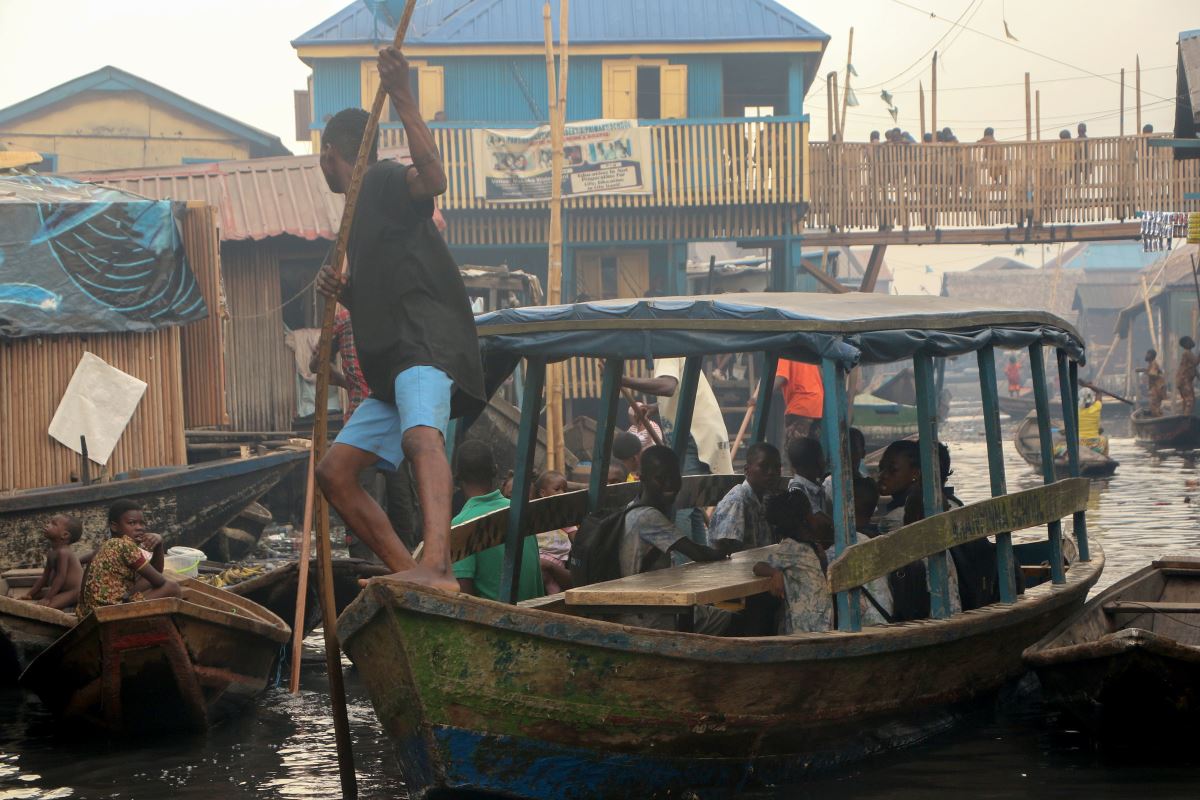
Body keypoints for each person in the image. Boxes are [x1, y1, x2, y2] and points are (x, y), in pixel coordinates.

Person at [313, 46, 487, 593]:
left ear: (331, 153)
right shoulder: (357, 214)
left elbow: (433, 178)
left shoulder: (383, 179)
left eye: (323, 155)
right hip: (390, 372)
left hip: (424, 348)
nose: (321, 165)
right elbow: (385, 292)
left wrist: (405, 95)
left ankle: (437, 564)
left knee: (420, 440)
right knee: (333, 473)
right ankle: (409, 569)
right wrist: (347, 292)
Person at [314, 306, 419, 557]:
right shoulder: (396, 313)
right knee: (401, 502)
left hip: (363, 422)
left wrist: (348, 383)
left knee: (360, 502)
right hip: (396, 421)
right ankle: (407, 562)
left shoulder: (342, 317)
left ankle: (367, 566)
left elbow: (317, 364)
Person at [619, 446, 739, 633]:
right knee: (740, 622)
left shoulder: (633, 507)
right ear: (642, 478)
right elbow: (697, 553)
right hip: (651, 616)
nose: (669, 484)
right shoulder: (648, 517)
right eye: (661, 478)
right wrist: (726, 548)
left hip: (653, 605)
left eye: (674, 478)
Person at [623, 359, 733, 544]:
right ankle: (699, 561)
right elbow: (681, 392)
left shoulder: (667, 352)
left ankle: (683, 568)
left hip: (693, 437)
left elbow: (668, 386)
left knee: (681, 504)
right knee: (693, 504)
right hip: (695, 434)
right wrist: (654, 408)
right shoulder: (676, 351)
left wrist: (623, 380)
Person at [449, 441, 543, 601]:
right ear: (495, 470)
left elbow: (463, 595)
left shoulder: (462, 523)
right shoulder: (520, 511)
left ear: (457, 478)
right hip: (534, 611)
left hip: (499, 621)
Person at [77, 501, 180, 619]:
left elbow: (154, 574)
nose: (139, 528)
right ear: (114, 526)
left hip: (87, 613)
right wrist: (130, 595)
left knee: (144, 579)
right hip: (108, 614)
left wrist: (158, 545)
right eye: (132, 523)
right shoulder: (125, 545)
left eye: (142, 523)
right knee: (172, 587)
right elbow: (160, 581)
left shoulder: (105, 545)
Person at [707, 442, 781, 551]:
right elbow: (723, 551)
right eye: (764, 466)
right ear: (746, 470)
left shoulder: (767, 498)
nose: (771, 472)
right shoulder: (737, 501)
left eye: (776, 467)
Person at [24, 515, 83, 610]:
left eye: (53, 524)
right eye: (49, 522)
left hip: (73, 591)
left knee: (46, 608)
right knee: (36, 595)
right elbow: (45, 577)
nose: (47, 525)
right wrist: (29, 594)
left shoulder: (63, 552)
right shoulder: (51, 552)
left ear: (65, 535)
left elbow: (61, 577)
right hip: (60, 589)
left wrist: (47, 598)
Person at [532, 470, 574, 594]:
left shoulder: (564, 516)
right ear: (542, 493)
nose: (562, 493)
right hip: (538, 557)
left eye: (565, 490)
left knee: (554, 592)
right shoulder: (535, 514)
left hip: (558, 560)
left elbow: (576, 538)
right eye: (557, 489)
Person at [763, 359, 823, 444]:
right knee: (812, 450)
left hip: (800, 406)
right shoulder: (805, 351)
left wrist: (761, 395)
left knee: (794, 450)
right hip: (817, 406)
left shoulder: (785, 352)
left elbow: (781, 378)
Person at [786, 436, 829, 520]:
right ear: (809, 464)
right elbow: (821, 520)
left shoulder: (816, 488)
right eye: (821, 458)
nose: (824, 462)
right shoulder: (797, 491)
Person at [1076, 388, 1107, 455]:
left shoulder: (1076, 411)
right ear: (1091, 399)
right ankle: (1105, 457)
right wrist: (1089, 386)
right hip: (1095, 445)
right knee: (1104, 439)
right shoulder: (1096, 407)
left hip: (1080, 444)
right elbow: (1099, 391)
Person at [1138, 349, 1166, 416]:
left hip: (1157, 388)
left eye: (1147, 353)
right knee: (1155, 406)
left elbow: (1153, 374)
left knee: (1153, 405)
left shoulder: (1153, 364)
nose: (1146, 355)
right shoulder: (1151, 364)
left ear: (1151, 355)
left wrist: (1146, 371)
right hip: (1157, 387)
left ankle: (1158, 421)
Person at [1177, 336, 1197, 416]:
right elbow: (1195, 362)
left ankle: (1185, 416)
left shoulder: (1188, 353)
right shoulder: (1187, 353)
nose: (1192, 341)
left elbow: (1193, 368)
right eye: (1189, 340)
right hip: (1184, 380)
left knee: (1187, 400)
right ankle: (1186, 418)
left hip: (1184, 380)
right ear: (1186, 344)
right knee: (1189, 400)